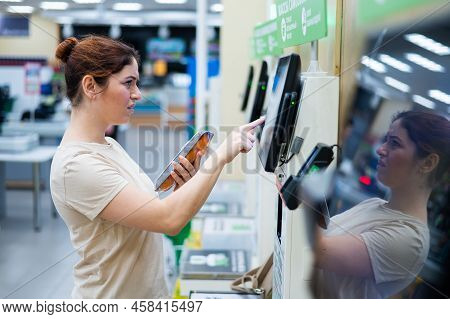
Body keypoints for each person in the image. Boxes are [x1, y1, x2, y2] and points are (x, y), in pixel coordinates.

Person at [49, 35, 264, 299]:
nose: (137, 94)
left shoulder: (109, 146)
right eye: (129, 83)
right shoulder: (76, 166)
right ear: (91, 86)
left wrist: (183, 189)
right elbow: (167, 220)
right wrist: (221, 156)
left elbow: (150, 216)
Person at [313, 110, 450, 298]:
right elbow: (324, 234)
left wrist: (301, 194)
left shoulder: (409, 239)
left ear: (428, 163)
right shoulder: (375, 204)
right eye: (386, 139)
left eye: (394, 143)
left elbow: (317, 252)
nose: (380, 149)